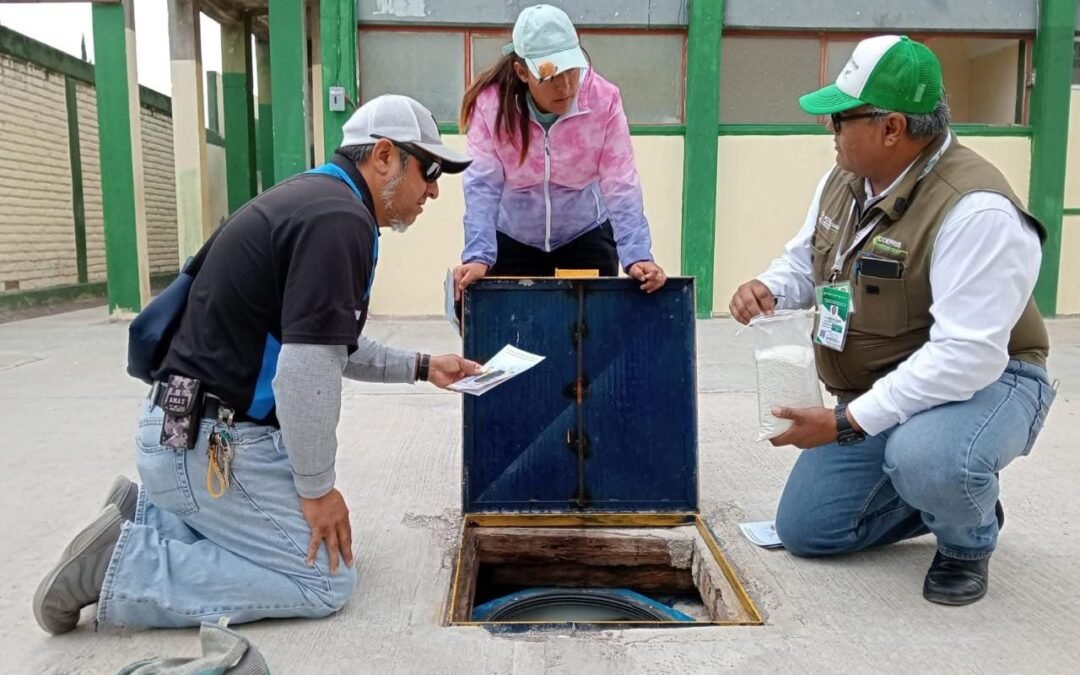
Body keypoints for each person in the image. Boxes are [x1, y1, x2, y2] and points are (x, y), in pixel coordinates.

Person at [33, 94, 481, 633]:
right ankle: (122, 565)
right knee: (322, 581)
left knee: (316, 553)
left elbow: (327, 343)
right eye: (429, 170)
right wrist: (318, 490)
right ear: (384, 155)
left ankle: (148, 515)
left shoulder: (308, 199)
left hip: (179, 430)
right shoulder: (342, 221)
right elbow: (304, 372)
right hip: (212, 445)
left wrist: (423, 364)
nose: (433, 189)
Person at [728, 36, 1055, 606]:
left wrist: (847, 422)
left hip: (991, 382)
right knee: (810, 531)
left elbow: (965, 358)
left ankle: (966, 534)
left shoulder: (975, 210)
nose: (829, 129)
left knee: (929, 458)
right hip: (886, 387)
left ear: (891, 127)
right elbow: (807, 258)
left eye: (839, 117)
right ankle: (944, 494)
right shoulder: (846, 178)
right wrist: (770, 288)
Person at [453, 3, 667, 300]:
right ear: (522, 72)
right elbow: (482, 185)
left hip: (585, 234)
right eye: (551, 75)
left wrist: (636, 254)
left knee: (587, 335)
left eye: (571, 70)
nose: (565, 86)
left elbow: (620, 181)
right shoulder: (491, 107)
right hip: (513, 238)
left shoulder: (604, 100)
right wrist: (478, 255)